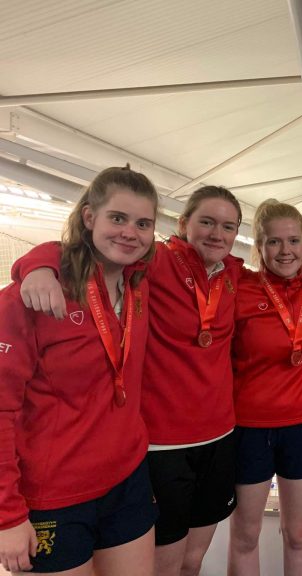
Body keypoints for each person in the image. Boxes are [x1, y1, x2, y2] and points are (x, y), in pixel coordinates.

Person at [14, 185, 245, 576]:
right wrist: (36, 265)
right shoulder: (154, 264)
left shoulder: (232, 273)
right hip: (158, 446)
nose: (216, 234)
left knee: (193, 560)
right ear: (182, 224)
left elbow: (282, 270)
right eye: (206, 222)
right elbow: (80, 249)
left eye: (228, 226)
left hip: (213, 439)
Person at [0, 166, 158, 575]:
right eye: (117, 218)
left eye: (143, 224)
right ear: (89, 217)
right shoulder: (28, 299)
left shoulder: (138, 283)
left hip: (126, 478)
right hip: (54, 495)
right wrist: (7, 515)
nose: (130, 233)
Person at [228, 200, 302, 576]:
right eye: (274, 242)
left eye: (294, 241)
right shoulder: (240, 288)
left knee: (299, 533)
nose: (285, 251)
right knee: (246, 535)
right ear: (259, 245)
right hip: (249, 427)